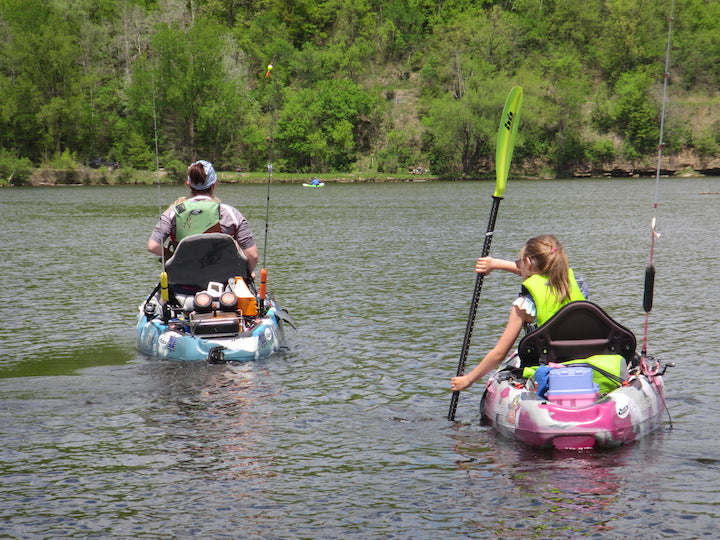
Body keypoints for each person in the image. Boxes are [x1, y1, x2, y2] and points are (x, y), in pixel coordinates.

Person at [450, 234, 587, 392]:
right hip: (582, 363)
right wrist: (494, 263)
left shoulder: (524, 306)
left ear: (528, 263)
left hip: (547, 370)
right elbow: (539, 271)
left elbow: (499, 355)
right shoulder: (577, 284)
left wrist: (468, 379)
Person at [147, 159, 259, 273]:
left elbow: (153, 246)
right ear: (215, 184)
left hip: (183, 278)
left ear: (188, 184)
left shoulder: (173, 212)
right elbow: (252, 255)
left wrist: (173, 257)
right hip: (223, 278)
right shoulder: (231, 213)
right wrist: (247, 274)